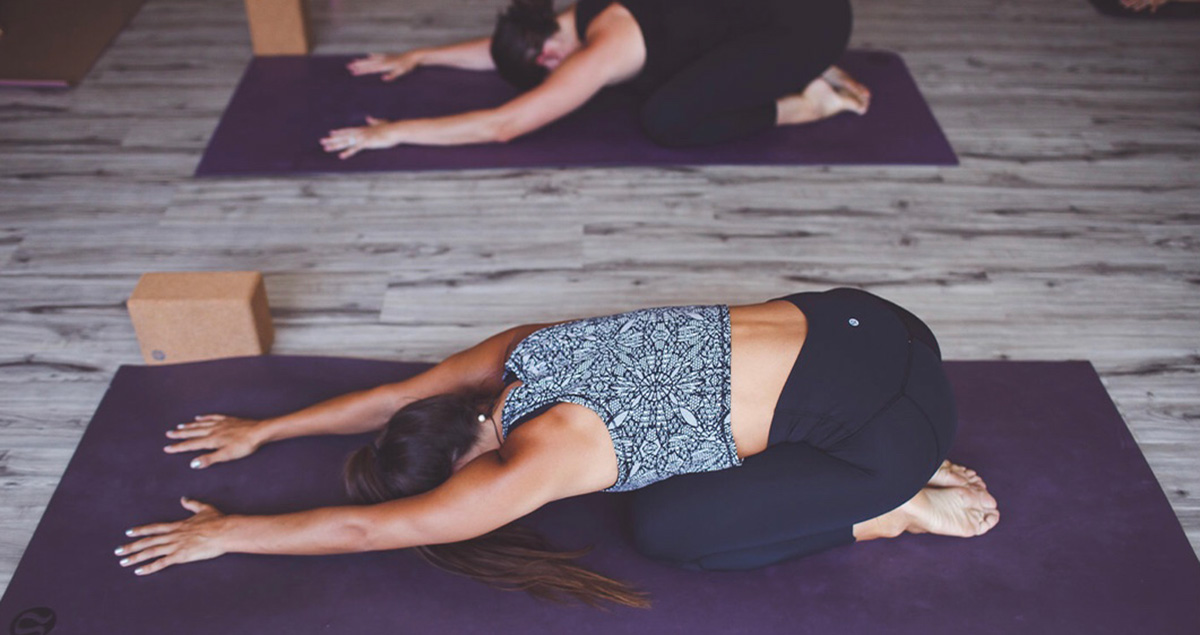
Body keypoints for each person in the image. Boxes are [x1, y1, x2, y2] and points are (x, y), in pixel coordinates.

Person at [114, 288, 999, 608]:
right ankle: (880, 471)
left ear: (471, 462)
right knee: (670, 476)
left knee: (671, 531)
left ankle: (895, 505)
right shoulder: (520, 352)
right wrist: (264, 428)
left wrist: (226, 531)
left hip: (902, 421)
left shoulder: (539, 455)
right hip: (879, 320)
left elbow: (360, 532)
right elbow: (393, 398)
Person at [319, 0, 872, 158]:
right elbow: (507, 50)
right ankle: (804, 65)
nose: (557, 73)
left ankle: (811, 100)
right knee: (662, 72)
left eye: (549, 68)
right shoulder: (570, 19)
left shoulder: (600, 48)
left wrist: (393, 131)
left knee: (667, 118)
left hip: (809, 28)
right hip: (782, 12)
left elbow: (504, 125)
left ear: (552, 52)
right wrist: (421, 55)